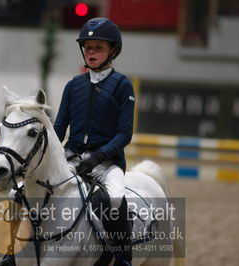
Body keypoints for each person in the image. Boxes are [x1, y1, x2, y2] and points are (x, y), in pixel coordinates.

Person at [53, 17, 135, 265]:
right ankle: (11, 254)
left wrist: (98, 158)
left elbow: (124, 133)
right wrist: (52, 156)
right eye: (87, 47)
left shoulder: (123, 85)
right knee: (26, 192)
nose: (91, 52)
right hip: (71, 158)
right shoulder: (73, 85)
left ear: (113, 50)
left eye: (98, 47)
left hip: (106, 163)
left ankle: (123, 258)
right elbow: (59, 128)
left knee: (115, 200)